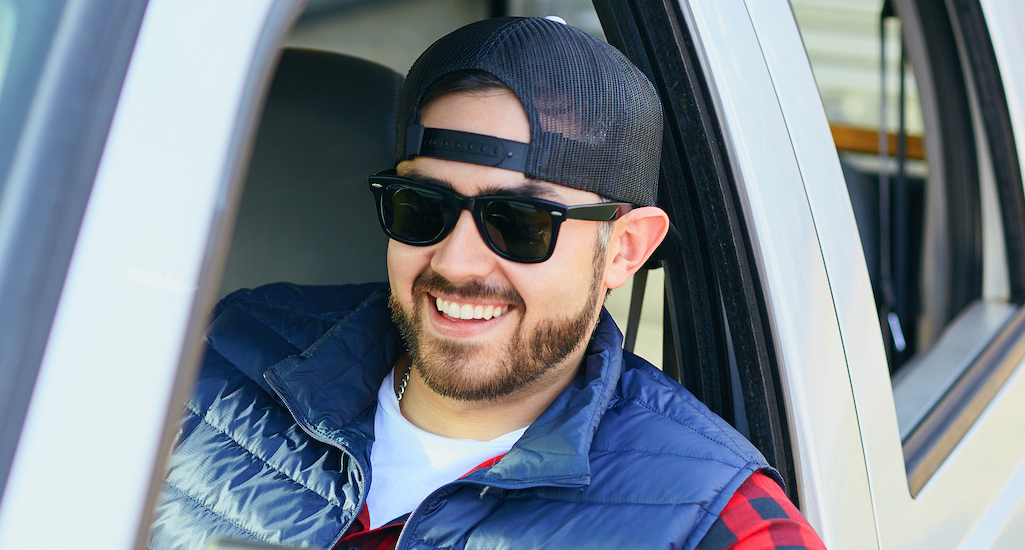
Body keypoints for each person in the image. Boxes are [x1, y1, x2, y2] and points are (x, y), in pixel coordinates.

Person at [151, 17, 826, 550]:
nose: (458, 261)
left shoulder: (715, 521)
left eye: (520, 222)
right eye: (424, 209)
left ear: (625, 250)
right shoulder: (212, 360)